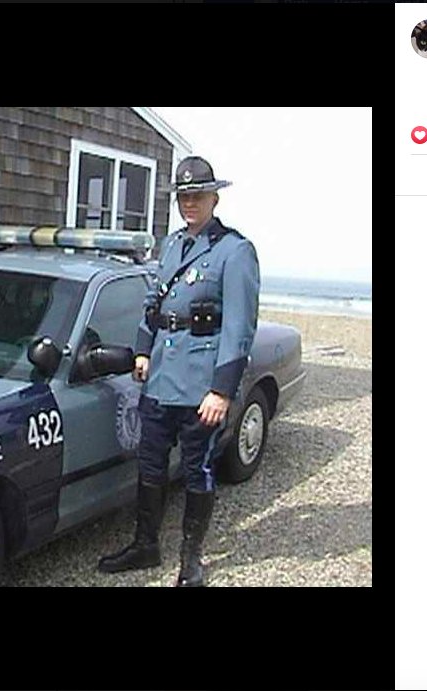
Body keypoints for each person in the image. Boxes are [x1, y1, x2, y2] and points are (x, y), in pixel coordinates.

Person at [98, 156, 260, 587]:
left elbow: (240, 326)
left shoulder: (234, 251)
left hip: (200, 385)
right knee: (150, 464)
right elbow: (153, 302)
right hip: (161, 378)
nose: (190, 203)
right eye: (183, 196)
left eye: (198, 195)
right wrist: (143, 349)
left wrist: (222, 390)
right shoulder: (171, 245)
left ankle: (191, 560)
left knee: (196, 469)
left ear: (214, 198)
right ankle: (145, 545)